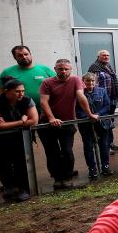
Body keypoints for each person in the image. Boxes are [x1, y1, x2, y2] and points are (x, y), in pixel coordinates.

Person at [39, 59, 98, 189]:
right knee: (52, 152)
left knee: (67, 151)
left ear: (70, 69)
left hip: (67, 123)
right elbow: (44, 102)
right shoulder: (47, 82)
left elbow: (81, 96)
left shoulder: (76, 80)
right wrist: (51, 118)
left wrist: (89, 114)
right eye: (60, 69)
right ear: (55, 69)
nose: (64, 71)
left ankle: (67, 177)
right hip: (47, 124)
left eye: (66, 69)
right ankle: (57, 178)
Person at [0, 78, 37, 202]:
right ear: (7, 91)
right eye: (17, 91)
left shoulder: (27, 100)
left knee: (20, 161)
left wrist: (7, 123)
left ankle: (23, 188)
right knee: (3, 161)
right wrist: (22, 121)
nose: (21, 94)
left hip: (18, 136)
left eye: (23, 91)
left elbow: (34, 120)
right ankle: (8, 186)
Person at [0, 45, 55, 110]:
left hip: (46, 110)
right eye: (20, 55)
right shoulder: (7, 72)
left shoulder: (45, 69)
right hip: (20, 112)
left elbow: (58, 85)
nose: (24, 57)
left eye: (26, 54)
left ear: (30, 54)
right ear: (15, 58)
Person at [77, 73, 112, 179]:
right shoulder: (79, 93)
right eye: (87, 81)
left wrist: (98, 115)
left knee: (104, 145)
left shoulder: (102, 91)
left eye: (92, 81)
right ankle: (92, 169)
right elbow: (77, 109)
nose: (90, 83)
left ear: (96, 82)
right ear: (83, 82)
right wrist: (88, 116)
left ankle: (105, 166)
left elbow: (107, 105)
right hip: (85, 123)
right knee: (88, 146)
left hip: (102, 123)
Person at [88, 50, 118, 151]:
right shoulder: (94, 67)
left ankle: (110, 143)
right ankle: (104, 146)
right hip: (101, 100)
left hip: (111, 98)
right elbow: (93, 85)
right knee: (101, 124)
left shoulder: (108, 66)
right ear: (98, 57)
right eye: (103, 55)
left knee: (109, 121)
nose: (106, 57)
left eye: (107, 55)